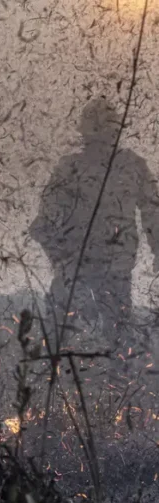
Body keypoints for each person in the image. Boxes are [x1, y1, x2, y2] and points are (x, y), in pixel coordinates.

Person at [30, 97, 159, 355]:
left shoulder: (127, 166)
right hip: (83, 270)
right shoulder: (75, 167)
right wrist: (62, 259)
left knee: (109, 343)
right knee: (67, 339)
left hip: (103, 271)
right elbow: (42, 225)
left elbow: (153, 213)